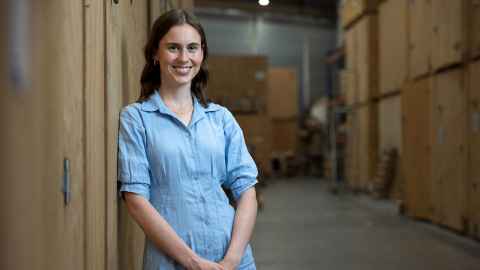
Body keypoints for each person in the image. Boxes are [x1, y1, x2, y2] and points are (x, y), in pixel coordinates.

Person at [117, 9, 258, 270]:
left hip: (233, 259)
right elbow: (135, 200)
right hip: (171, 263)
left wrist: (232, 260)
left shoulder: (221, 119)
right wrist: (193, 263)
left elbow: (247, 190)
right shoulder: (136, 119)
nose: (184, 58)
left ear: (202, 54)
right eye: (173, 47)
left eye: (192, 48)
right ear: (154, 54)